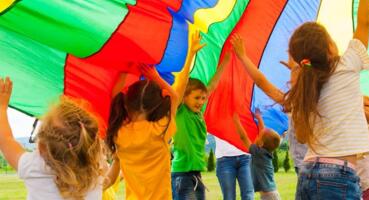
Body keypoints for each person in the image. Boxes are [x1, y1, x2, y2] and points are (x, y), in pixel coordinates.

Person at [285, 0, 369, 198]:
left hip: (307, 171)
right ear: (330, 48)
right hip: (336, 176)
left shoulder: (305, 86)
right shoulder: (347, 64)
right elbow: (364, 23)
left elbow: (301, 136)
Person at [105, 32, 204, 199]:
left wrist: (125, 68)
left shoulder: (119, 132)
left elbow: (114, 96)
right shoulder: (160, 129)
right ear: (154, 107)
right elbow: (175, 95)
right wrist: (156, 77)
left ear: (127, 105)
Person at [0, 77, 104, 199]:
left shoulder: (34, 167)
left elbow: (5, 139)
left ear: (41, 147)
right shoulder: (95, 174)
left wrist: (1, 108)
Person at [229, 34, 309, 175]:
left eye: (293, 77)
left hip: (306, 165)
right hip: (311, 163)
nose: (289, 81)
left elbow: (261, 82)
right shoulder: (310, 97)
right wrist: (295, 69)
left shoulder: (295, 101)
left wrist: (243, 57)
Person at [171, 50, 229, 200]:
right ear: (184, 96)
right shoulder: (180, 110)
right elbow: (182, 83)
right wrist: (190, 55)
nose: (201, 102)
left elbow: (212, 85)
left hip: (196, 174)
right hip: (182, 174)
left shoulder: (198, 113)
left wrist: (226, 60)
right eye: (197, 98)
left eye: (203, 98)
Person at [233, 111, 282, 200]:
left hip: (268, 196)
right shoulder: (266, 152)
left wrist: (236, 121)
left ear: (261, 143)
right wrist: (259, 119)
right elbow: (262, 131)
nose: (257, 135)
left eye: (259, 136)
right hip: (272, 193)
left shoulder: (258, 153)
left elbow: (244, 138)